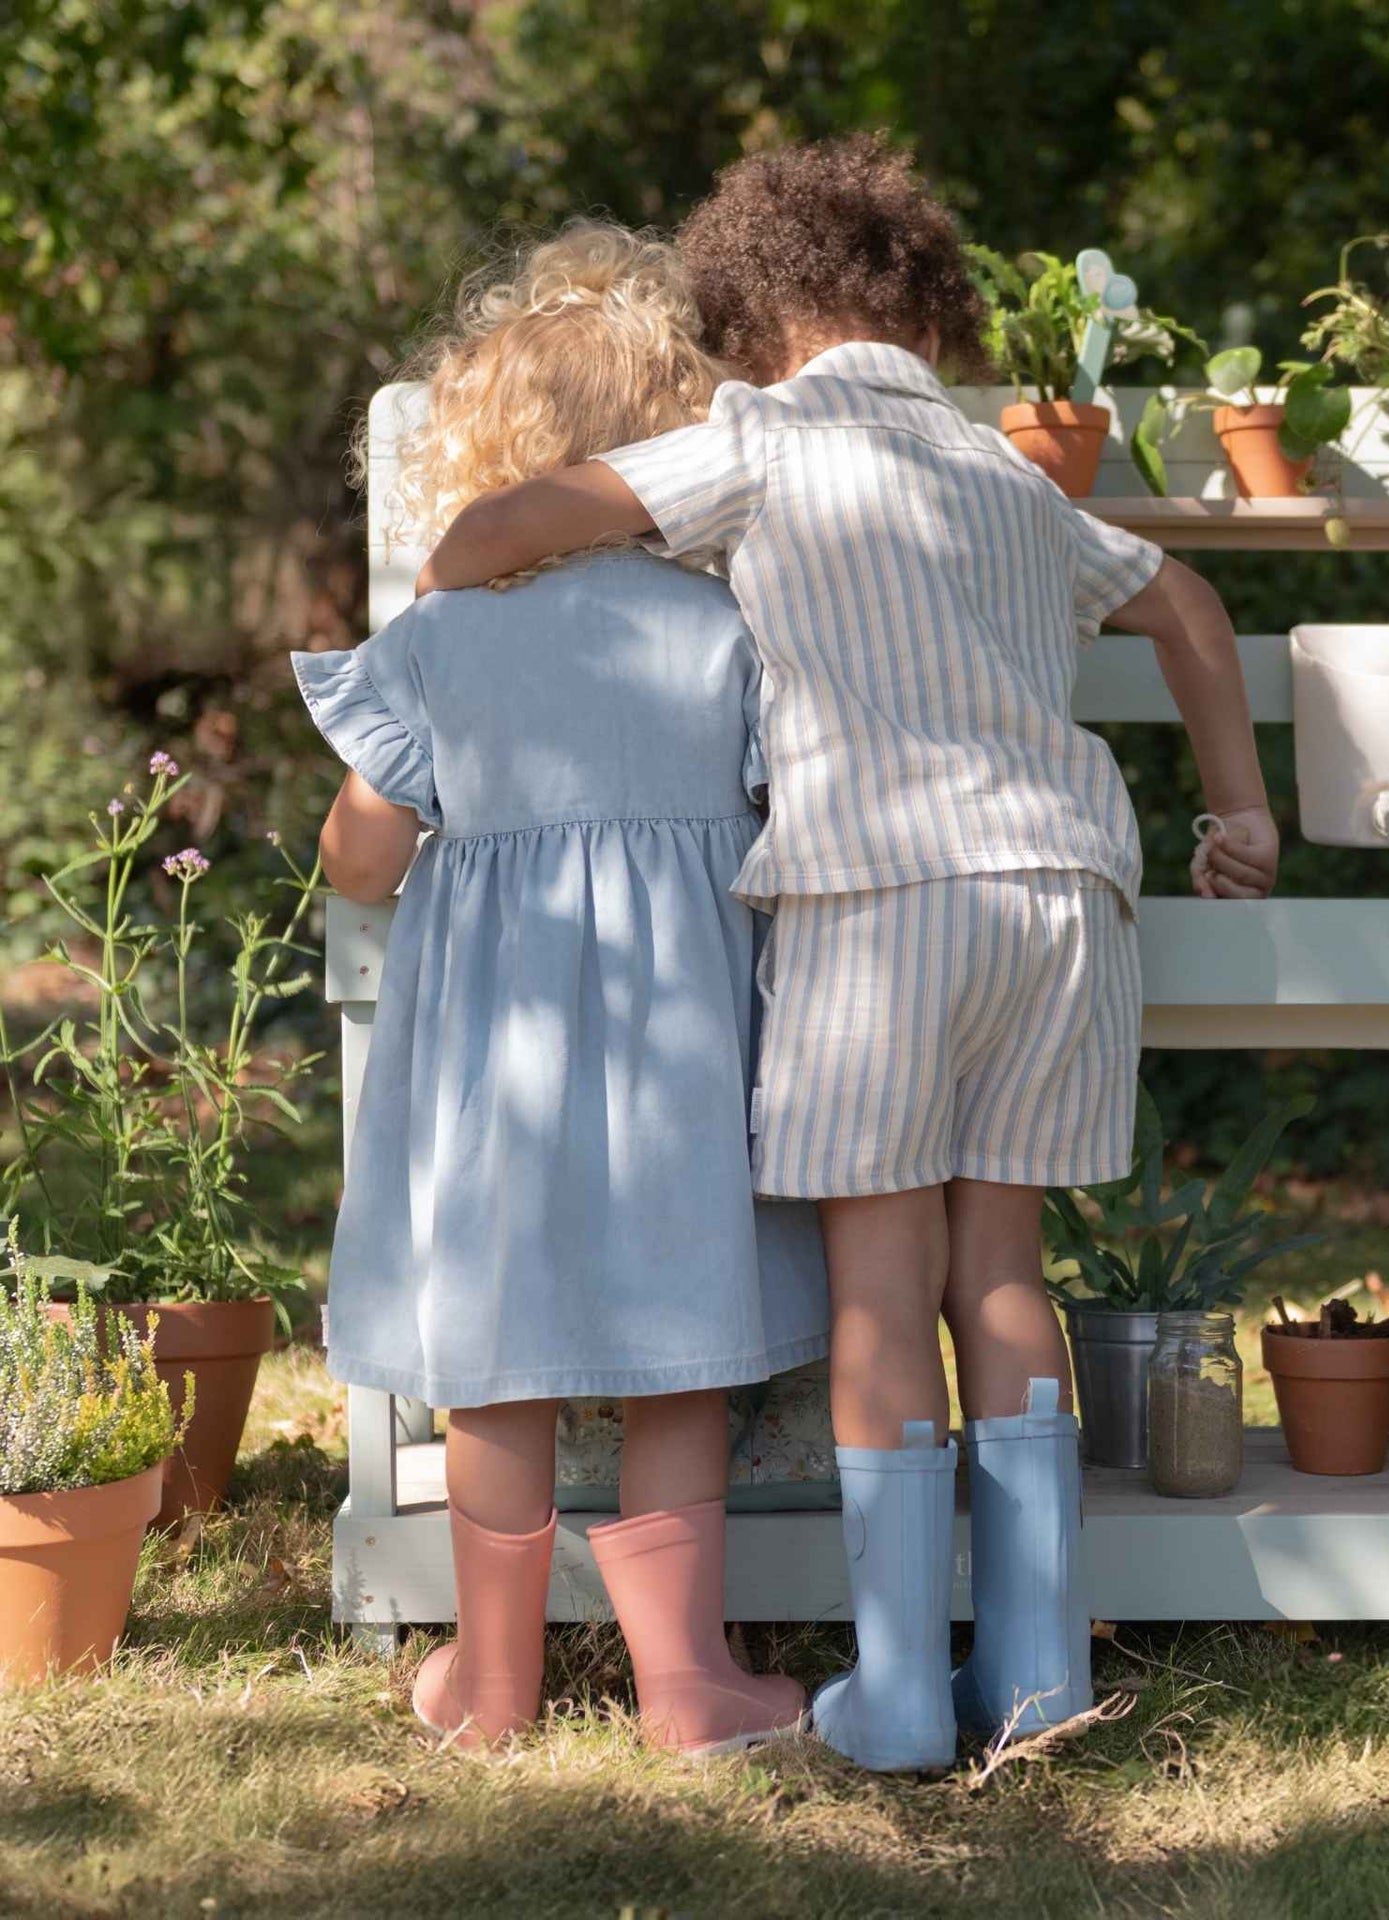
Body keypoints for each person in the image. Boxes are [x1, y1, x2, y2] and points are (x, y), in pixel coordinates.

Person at [417, 138, 1278, 1773]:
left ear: (748, 323)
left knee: (887, 1287)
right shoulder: (1017, 479)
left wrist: (482, 563)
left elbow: (503, 528)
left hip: (881, 902)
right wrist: (1239, 812)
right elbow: (1191, 616)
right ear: (932, 318)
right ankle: (1031, 1679)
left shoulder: (749, 439)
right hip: (1060, 900)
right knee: (1003, 1277)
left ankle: (895, 1693)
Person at [298, 220, 828, 1756]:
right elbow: (795, 811)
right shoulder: (727, 631)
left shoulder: (446, 641)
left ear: (484, 449)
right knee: (683, 1362)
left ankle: (494, 1686)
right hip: (678, 1060)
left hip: (493, 1076)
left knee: (497, 1373)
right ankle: (688, 1686)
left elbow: (361, 868)